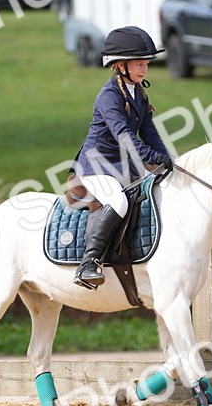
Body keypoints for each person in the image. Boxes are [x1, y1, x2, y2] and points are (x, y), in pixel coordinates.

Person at [71, 26, 173, 289]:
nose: (145, 69)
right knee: (118, 202)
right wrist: (152, 157)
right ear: (120, 65)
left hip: (122, 166)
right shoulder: (109, 95)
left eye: (147, 64)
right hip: (96, 165)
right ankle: (89, 263)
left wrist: (166, 156)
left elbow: (148, 130)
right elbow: (123, 135)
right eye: (140, 64)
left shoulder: (138, 92)